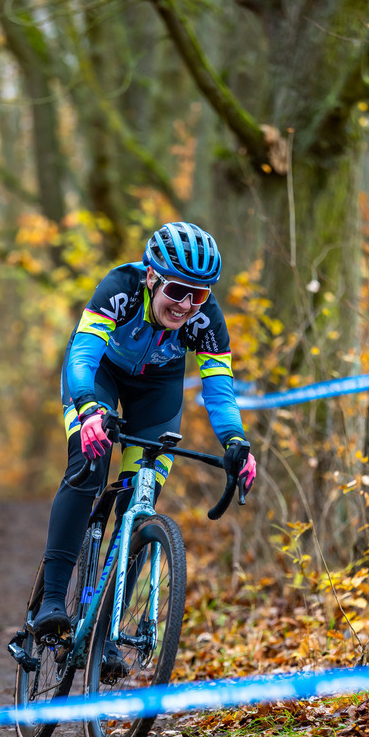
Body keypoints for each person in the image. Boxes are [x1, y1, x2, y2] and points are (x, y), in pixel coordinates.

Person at [31, 221, 257, 672]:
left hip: (157, 392)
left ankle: (105, 631)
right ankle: (52, 600)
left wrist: (236, 441)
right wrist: (90, 409)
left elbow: (219, 390)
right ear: (152, 277)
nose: (187, 305)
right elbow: (82, 355)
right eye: (177, 291)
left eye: (200, 295)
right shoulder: (120, 287)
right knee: (89, 467)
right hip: (99, 377)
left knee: (141, 499)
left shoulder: (205, 320)